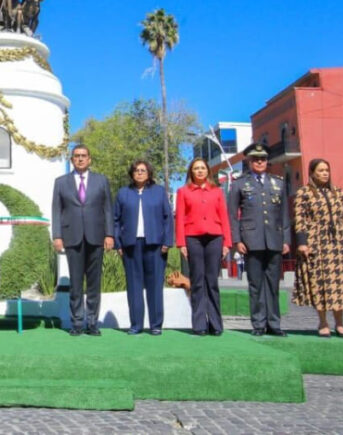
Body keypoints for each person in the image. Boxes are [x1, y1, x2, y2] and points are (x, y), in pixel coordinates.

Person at [291, 158, 343, 338]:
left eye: (326, 170)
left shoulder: (337, 192)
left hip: (339, 242)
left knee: (340, 283)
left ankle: (340, 323)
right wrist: (302, 242)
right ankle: (323, 322)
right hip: (316, 241)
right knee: (320, 282)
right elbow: (300, 219)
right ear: (312, 173)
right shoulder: (304, 193)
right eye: (320, 170)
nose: (324, 173)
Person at [51, 144, 114, 336]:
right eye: (76, 156)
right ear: (71, 160)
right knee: (76, 283)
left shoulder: (101, 181)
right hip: (72, 237)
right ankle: (77, 323)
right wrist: (57, 236)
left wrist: (109, 234)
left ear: (89, 159)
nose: (80, 159)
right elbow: (56, 210)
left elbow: (108, 209)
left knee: (94, 283)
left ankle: (92, 323)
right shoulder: (61, 182)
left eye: (83, 155)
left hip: (96, 237)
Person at [228, 143, 290, 337]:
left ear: (267, 161)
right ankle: (258, 323)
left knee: (273, 284)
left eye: (262, 159)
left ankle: (274, 323)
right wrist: (237, 240)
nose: (260, 162)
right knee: (255, 285)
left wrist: (286, 239)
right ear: (249, 161)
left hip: (274, 239)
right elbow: (232, 216)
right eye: (256, 159)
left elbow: (284, 214)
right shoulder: (239, 184)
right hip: (251, 241)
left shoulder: (278, 183)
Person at [113, 159, 172, 335]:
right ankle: (136, 324)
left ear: (149, 173)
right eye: (136, 170)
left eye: (143, 170)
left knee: (155, 285)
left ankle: (156, 325)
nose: (139, 173)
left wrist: (167, 241)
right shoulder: (123, 193)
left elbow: (168, 218)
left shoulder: (158, 192)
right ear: (132, 174)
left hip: (155, 245)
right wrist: (118, 243)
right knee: (134, 285)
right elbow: (115, 220)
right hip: (130, 245)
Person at [176, 158, 232, 336]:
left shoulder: (217, 191)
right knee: (197, 281)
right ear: (191, 172)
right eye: (196, 168)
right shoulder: (183, 191)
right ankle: (199, 324)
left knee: (212, 281)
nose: (200, 171)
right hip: (193, 238)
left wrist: (227, 242)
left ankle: (215, 324)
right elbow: (180, 219)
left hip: (215, 238)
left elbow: (224, 217)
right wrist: (181, 243)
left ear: (208, 171)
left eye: (202, 168)